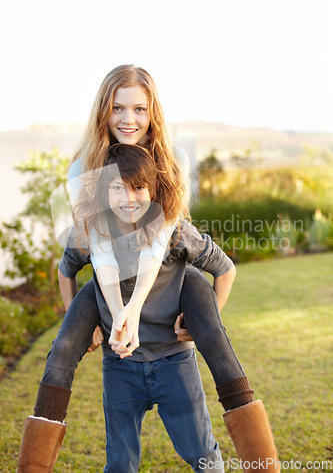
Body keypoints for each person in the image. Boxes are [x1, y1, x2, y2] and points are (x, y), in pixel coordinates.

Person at [17, 65, 279, 473]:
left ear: (152, 111)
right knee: (64, 346)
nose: (128, 119)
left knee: (212, 333)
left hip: (169, 267)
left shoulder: (172, 159)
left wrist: (135, 309)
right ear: (104, 110)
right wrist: (109, 315)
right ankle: (33, 465)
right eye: (118, 108)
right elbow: (98, 248)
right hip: (111, 275)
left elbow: (162, 239)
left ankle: (262, 463)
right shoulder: (82, 167)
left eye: (139, 108)